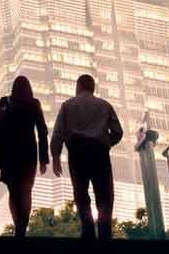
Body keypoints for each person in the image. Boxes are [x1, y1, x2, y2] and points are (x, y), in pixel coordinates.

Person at [50, 73, 124, 241]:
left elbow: (58, 133)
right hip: (99, 152)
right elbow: (118, 132)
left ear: (78, 87)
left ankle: (88, 228)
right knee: (104, 194)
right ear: (93, 87)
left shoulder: (67, 106)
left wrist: (55, 156)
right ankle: (105, 231)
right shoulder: (105, 105)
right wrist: (106, 142)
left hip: (77, 152)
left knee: (81, 193)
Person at [0, 76, 50, 237]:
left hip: (9, 153)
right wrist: (43, 159)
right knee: (26, 191)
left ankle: (18, 226)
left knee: (13, 191)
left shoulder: (4, 102)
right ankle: (22, 228)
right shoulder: (34, 104)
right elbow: (42, 132)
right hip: (28, 153)